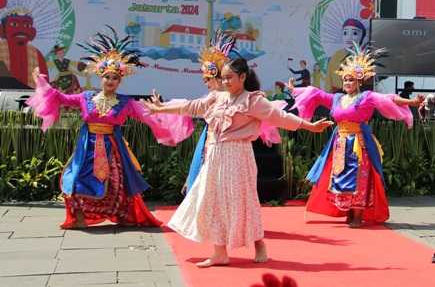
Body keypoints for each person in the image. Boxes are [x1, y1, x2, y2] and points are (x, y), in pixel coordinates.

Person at [142, 57, 332, 267]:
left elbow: (280, 117)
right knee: (212, 200)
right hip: (215, 155)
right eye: (223, 78)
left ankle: (259, 243)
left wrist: (309, 126)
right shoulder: (217, 97)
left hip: (238, 155)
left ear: (242, 77)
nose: (225, 82)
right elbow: (192, 107)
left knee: (241, 200)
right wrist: (161, 109)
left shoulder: (253, 101)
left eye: (229, 78)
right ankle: (220, 253)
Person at [25, 27, 194, 229]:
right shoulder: (85, 97)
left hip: (112, 148)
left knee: (118, 183)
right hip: (87, 146)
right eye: (107, 77)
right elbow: (60, 98)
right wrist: (41, 82)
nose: (110, 81)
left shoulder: (125, 102)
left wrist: (170, 108)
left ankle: (123, 215)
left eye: (115, 78)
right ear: (100, 77)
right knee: (76, 178)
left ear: (120, 80)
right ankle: (80, 218)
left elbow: (148, 114)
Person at [288, 43, 422, 227]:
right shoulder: (336, 98)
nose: (348, 83)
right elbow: (315, 94)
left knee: (360, 178)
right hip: (340, 144)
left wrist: (412, 102)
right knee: (341, 177)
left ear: (359, 81)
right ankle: (349, 212)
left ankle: (358, 214)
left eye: (351, 80)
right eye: (345, 80)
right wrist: (295, 91)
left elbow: (389, 99)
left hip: (359, 145)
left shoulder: (367, 97)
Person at [182, 32, 236, 196]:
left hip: (226, 144)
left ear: (218, 78)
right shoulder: (210, 98)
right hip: (209, 140)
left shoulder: (233, 99)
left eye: (207, 79)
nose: (205, 83)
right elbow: (188, 107)